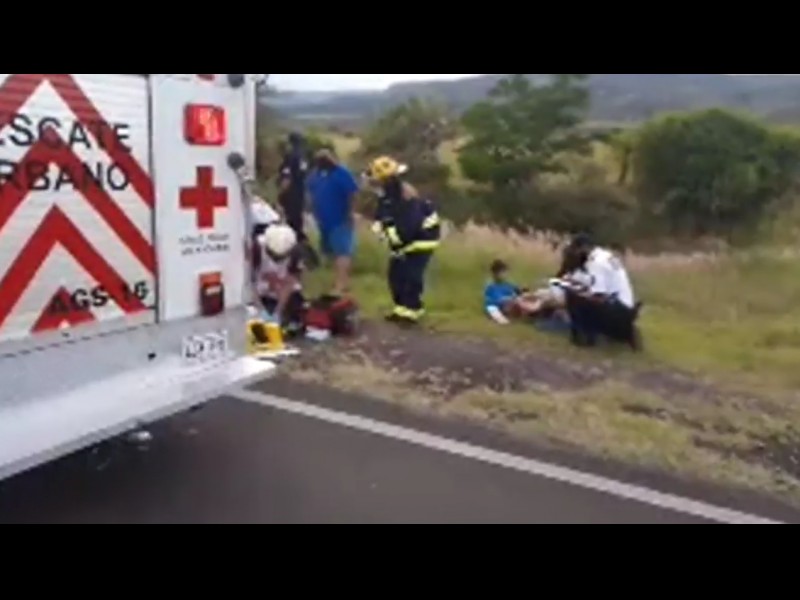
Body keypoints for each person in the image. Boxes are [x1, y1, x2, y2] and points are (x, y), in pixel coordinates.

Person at [366, 156, 441, 325]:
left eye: (376, 181)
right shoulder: (388, 196)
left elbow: (408, 227)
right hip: (403, 242)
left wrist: (393, 238)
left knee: (411, 276)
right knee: (395, 275)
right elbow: (384, 214)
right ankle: (401, 309)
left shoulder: (406, 197)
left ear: (386, 180)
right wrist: (380, 225)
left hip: (422, 240)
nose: (373, 185)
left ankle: (413, 311)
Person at [564, 233, 642, 350]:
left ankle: (586, 337)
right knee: (582, 296)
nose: (576, 253)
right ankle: (623, 333)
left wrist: (579, 293)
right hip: (626, 306)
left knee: (573, 296)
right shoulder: (606, 255)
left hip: (618, 310)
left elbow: (599, 295)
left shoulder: (595, 263)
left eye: (577, 249)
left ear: (584, 248)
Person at [306, 149, 360, 295]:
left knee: (342, 252)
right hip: (324, 220)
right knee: (330, 252)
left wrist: (350, 213)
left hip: (341, 220)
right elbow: (310, 192)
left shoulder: (342, 173)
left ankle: (341, 284)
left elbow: (353, 194)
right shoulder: (316, 175)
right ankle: (339, 281)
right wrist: (312, 210)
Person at [253, 224, 306, 328]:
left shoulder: (296, 253)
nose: (276, 259)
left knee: (296, 303)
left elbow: (290, 282)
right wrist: (260, 309)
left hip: (280, 290)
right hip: (258, 290)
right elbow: (248, 283)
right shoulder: (256, 249)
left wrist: (278, 311)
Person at [277, 132, 310, 244]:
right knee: (298, 222)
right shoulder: (303, 157)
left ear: (290, 143)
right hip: (300, 193)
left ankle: (290, 246)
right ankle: (300, 246)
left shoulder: (290, 157)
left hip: (290, 195)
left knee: (289, 223)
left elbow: (287, 178)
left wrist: (280, 195)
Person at [484, 260, 542, 325]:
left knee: (529, 296)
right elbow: (499, 300)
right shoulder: (491, 286)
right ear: (495, 273)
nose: (504, 275)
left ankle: (535, 310)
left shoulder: (506, 283)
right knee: (519, 301)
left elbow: (517, 290)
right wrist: (514, 298)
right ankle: (532, 311)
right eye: (502, 272)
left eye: (505, 272)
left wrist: (525, 291)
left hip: (511, 304)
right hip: (500, 306)